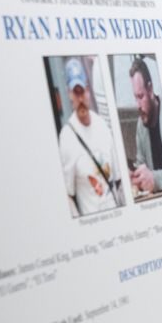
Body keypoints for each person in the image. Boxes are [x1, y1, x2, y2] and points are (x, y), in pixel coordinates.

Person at [57, 57, 121, 216]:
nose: (80, 99)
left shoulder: (102, 126)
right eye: (75, 93)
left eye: (82, 91)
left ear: (88, 90)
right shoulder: (67, 138)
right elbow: (68, 194)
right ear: (69, 94)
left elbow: (118, 180)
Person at [129, 56, 162, 195]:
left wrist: (154, 179)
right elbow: (141, 164)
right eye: (135, 97)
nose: (138, 105)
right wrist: (135, 176)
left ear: (150, 90)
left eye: (141, 96)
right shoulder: (141, 124)